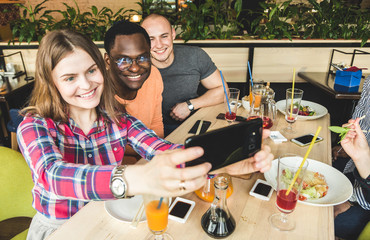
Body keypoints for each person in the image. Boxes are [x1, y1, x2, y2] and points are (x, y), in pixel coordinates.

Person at [17, 29, 273, 240]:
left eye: (91, 71)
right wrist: (133, 177)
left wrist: (227, 160)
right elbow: (53, 175)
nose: (86, 85)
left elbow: (165, 151)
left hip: (105, 219)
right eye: (70, 77)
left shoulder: (118, 119)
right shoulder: (34, 125)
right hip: (59, 229)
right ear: (51, 82)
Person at [141, 14, 225, 136]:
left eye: (164, 36)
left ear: (173, 34)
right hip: (151, 132)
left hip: (192, 125)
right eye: (151, 39)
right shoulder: (136, 67)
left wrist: (190, 105)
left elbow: (223, 90)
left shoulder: (195, 56)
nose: (159, 45)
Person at [104, 20, 164, 164]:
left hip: (147, 160)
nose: (135, 68)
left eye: (142, 58)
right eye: (123, 60)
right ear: (108, 61)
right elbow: (108, 150)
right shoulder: (95, 91)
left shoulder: (153, 75)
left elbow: (156, 125)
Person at [333, 76, 370, 240]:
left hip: (364, 202)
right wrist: (350, 151)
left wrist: (350, 199)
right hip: (358, 172)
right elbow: (360, 122)